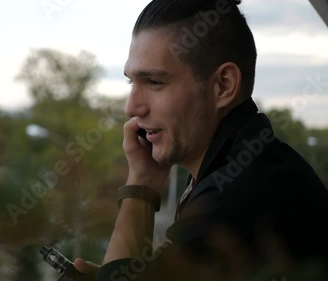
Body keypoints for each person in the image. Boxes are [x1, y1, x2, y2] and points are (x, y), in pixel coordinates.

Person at [73, 0, 328, 280]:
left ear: (223, 85)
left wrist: (141, 184)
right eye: (131, 82)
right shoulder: (246, 164)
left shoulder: (238, 193)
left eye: (154, 82)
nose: (131, 108)